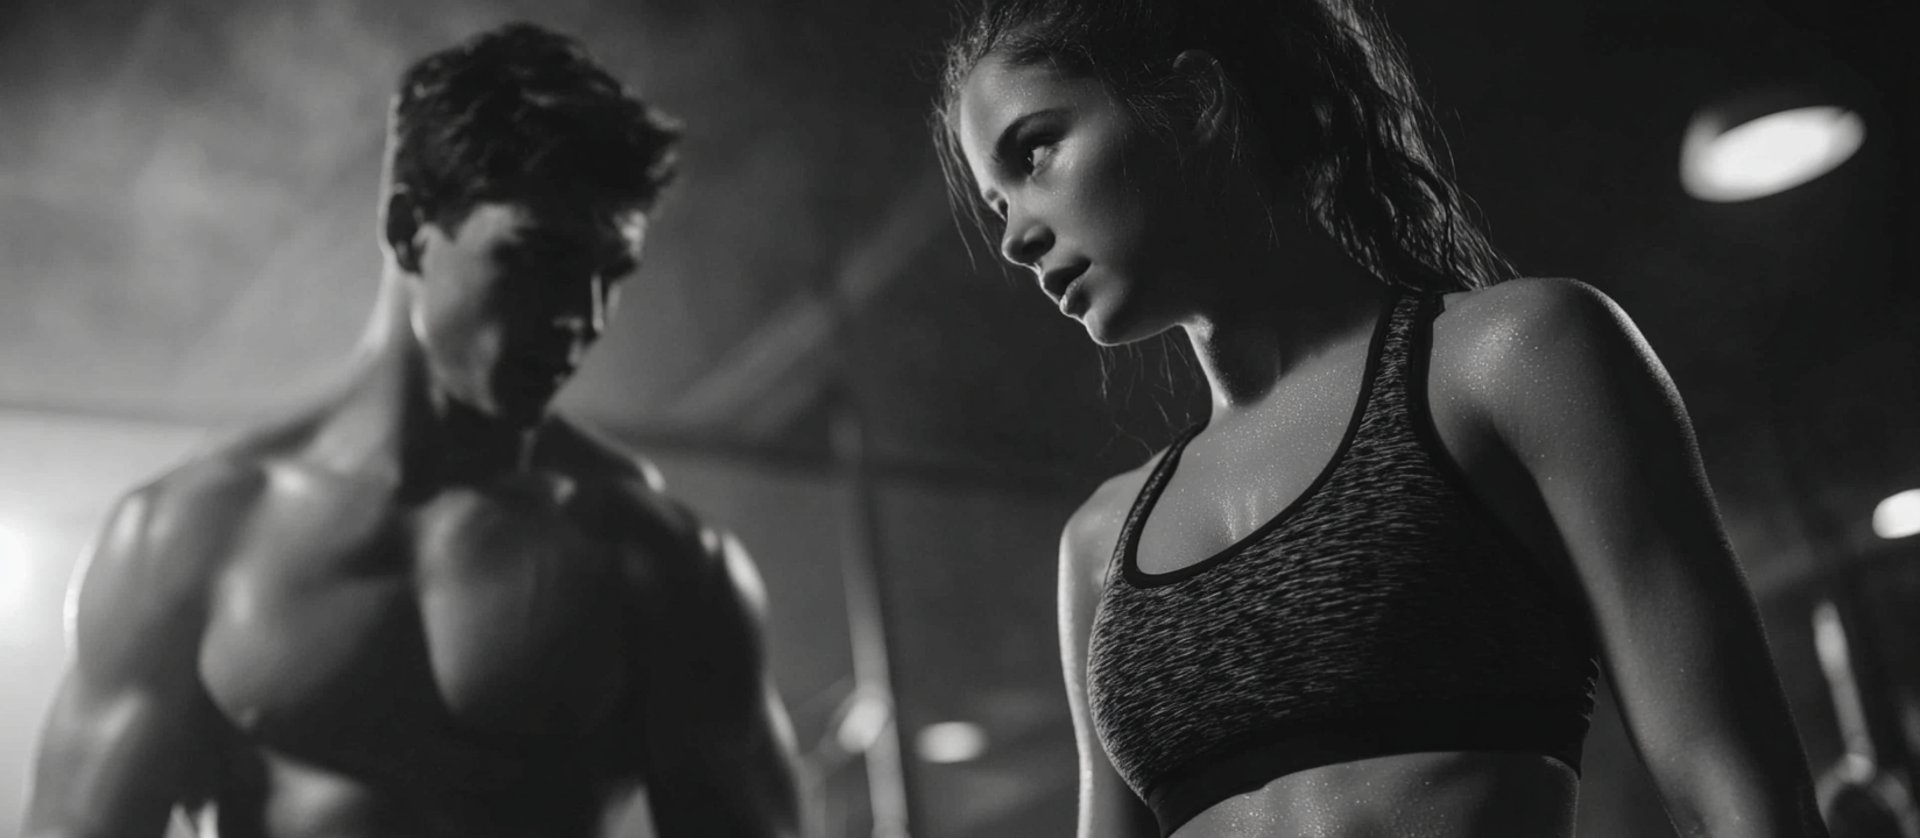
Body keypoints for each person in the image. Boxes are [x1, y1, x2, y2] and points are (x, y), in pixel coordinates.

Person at [933, 1, 1830, 836]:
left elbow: (1736, 789)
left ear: (1198, 100)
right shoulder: (1099, 542)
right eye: (997, 202)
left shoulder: (1513, 357)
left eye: (1036, 149)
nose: (1015, 236)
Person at [24, 22, 799, 838]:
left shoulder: (655, 560)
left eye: (611, 273)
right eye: (539, 258)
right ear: (407, 230)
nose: (584, 317)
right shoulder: (191, 535)